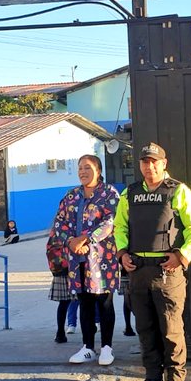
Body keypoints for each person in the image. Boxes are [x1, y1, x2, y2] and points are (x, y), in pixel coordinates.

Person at [114, 143, 191, 381]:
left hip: (167, 273)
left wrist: (182, 256)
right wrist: (122, 253)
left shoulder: (178, 190)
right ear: (140, 165)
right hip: (138, 273)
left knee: (171, 331)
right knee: (145, 329)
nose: (149, 166)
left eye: (154, 162)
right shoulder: (129, 194)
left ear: (164, 163)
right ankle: (153, 378)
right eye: (145, 162)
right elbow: (119, 226)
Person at [47, 155, 121, 366]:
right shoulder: (71, 196)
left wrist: (87, 238)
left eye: (87, 167)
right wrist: (70, 241)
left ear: (98, 170)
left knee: (104, 301)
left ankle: (107, 347)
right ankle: (88, 347)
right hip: (76, 258)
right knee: (84, 302)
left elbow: (110, 221)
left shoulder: (109, 194)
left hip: (101, 258)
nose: (82, 172)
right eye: (80, 168)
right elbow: (60, 222)